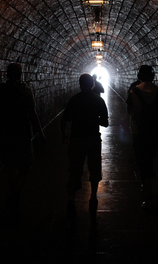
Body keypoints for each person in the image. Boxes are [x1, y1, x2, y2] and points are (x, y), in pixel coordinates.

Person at [0, 63, 46, 212]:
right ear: (20, 74)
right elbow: (32, 115)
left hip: (4, 133)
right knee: (27, 164)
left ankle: (13, 193)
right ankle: (15, 193)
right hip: (22, 133)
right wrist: (40, 134)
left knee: (10, 166)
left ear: (7, 74)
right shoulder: (25, 91)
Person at [61, 74, 109, 225]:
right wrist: (96, 119)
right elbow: (105, 122)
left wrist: (64, 135)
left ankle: (70, 199)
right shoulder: (98, 100)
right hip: (93, 138)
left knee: (74, 168)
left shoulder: (74, 100)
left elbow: (64, 119)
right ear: (93, 84)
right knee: (94, 167)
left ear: (80, 84)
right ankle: (93, 196)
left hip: (76, 139)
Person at [126, 65, 158, 209]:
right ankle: (149, 186)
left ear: (139, 76)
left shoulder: (134, 91)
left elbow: (129, 111)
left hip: (138, 131)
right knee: (151, 158)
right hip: (154, 131)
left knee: (142, 161)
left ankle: (148, 194)